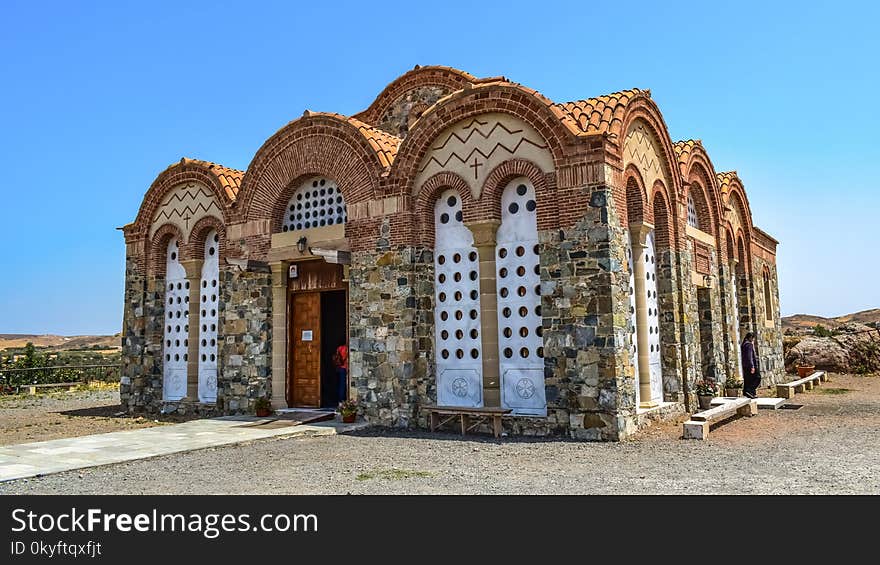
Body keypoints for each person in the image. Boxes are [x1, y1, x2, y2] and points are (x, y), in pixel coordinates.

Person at [740, 332, 761, 398]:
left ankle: (749, 393)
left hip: (745, 365)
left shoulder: (743, 344)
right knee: (757, 377)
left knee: (748, 380)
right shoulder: (749, 345)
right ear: (750, 338)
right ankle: (750, 390)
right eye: (753, 338)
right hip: (750, 365)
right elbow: (749, 356)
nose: (753, 340)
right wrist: (752, 366)